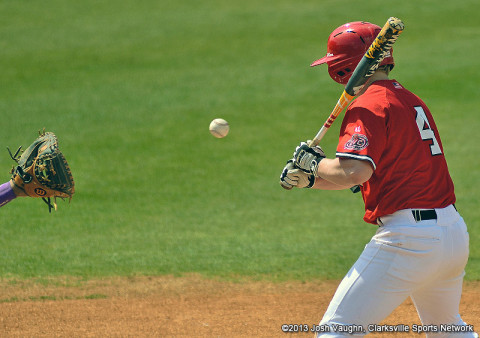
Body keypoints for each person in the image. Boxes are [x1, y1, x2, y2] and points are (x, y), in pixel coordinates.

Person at [280, 21, 477, 337]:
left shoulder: (368, 105)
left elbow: (353, 172)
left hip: (410, 240)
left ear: (345, 67)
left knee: (336, 330)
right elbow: (367, 175)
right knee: (448, 329)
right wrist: (311, 179)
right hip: (451, 235)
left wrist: (314, 163)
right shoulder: (409, 100)